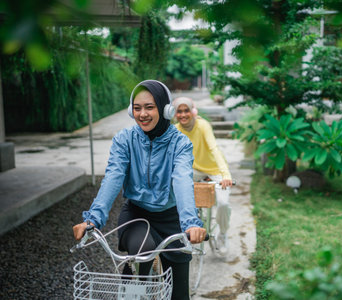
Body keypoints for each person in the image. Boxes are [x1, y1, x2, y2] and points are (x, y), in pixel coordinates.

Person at [72, 80, 206, 300]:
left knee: (179, 293)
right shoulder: (124, 139)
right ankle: (133, 291)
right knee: (141, 254)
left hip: (173, 219)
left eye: (149, 107)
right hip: (136, 215)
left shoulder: (180, 144)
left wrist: (191, 223)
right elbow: (113, 177)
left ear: (165, 109)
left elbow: (182, 180)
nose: (142, 114)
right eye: (137, 108)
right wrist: (93, 219)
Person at [173, 97, 232, 255]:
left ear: (193, 112)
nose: (183, 114)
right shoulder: (176, 130)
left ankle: (223, 234)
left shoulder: (203, 125)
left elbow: (214, 149)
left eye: (186, 110)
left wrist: (225, 174)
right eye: (179, 111)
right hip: (193, 171)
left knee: (223, 203)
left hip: (214, 170)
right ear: (174, 114)